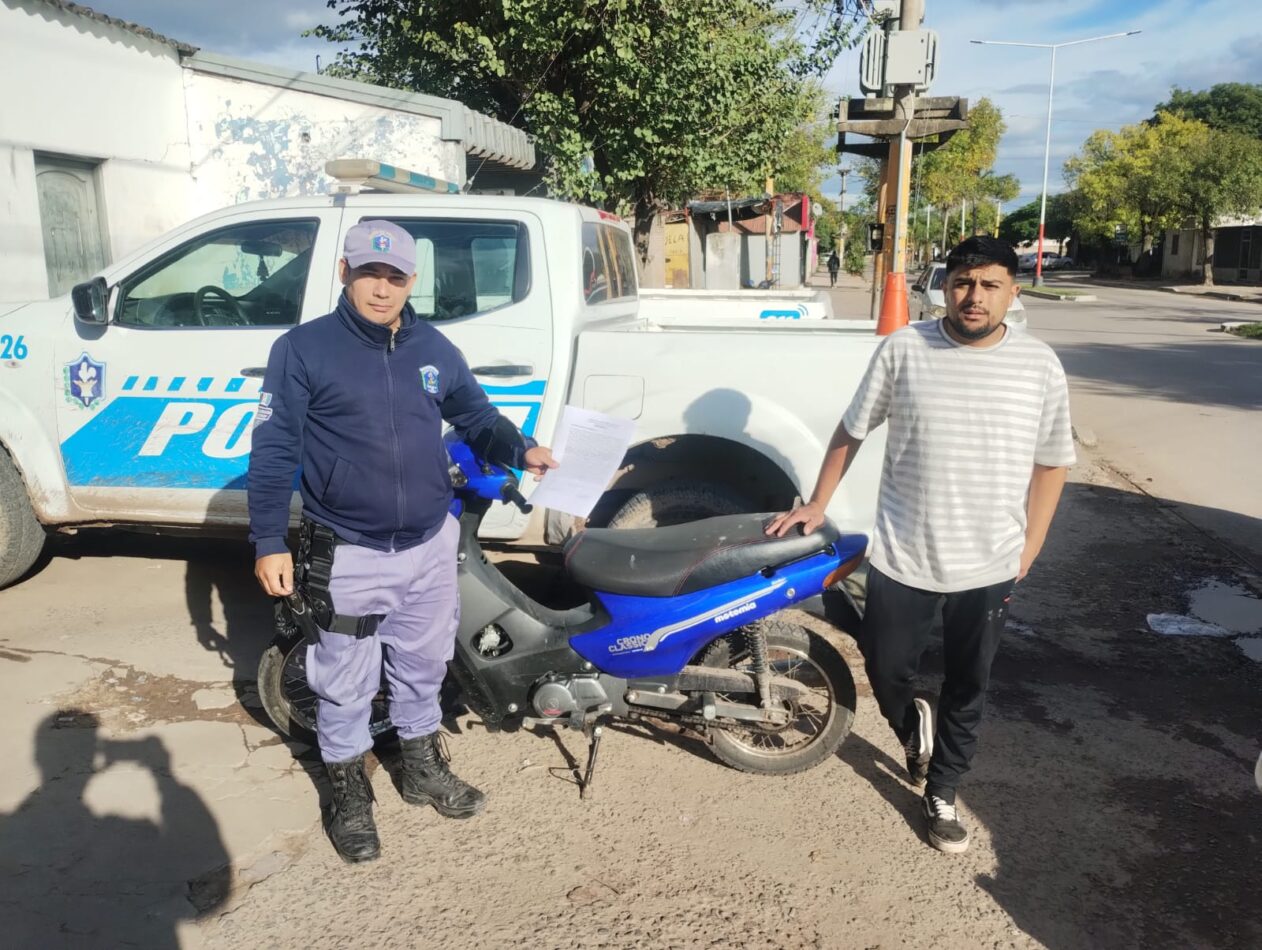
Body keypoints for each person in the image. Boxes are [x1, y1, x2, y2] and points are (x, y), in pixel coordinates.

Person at [248, 220, 557, 863]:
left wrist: (521, 447)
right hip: (350, 549)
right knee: (344, 680)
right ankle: (349, 794)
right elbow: (274, 449)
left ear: (412, 281)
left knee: (424, 665)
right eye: (370, 274)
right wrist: (269, 539)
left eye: (395, 277)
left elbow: (475, 414)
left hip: (429, 545)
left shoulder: (433, 347)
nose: (382, 289)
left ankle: (420, 768)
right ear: (345, 273)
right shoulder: (303, 349)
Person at [767, 235, 1074, 854]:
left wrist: (1032, 545)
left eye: (990, 285)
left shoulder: (1039, 364)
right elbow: (852, 428)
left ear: (1013, 292)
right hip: (904, 553)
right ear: (945, 287)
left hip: (990, 559)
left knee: (968, 682)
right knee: (885, 667)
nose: (974, 296)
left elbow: (1052, 462)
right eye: (963, 282)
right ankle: (913, 728)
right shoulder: (905, 348)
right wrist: (818, 501)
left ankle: (943, 790)